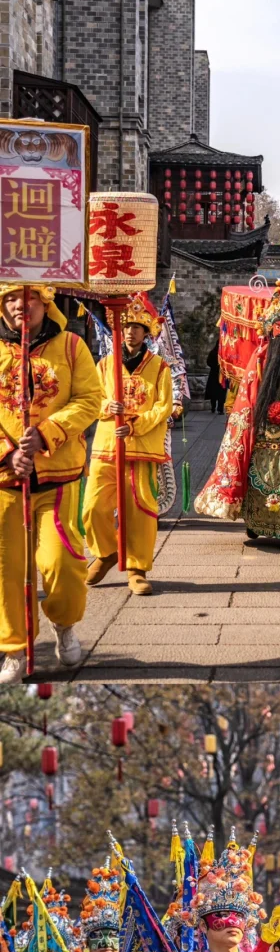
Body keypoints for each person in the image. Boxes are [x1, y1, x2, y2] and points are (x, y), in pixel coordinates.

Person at [0, 285, 102, 683]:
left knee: (61, 562)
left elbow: (90, 399)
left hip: (58, 477)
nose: (18, 305)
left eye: (26, 298)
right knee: (8, 570)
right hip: (6, 483)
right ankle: (14, 648)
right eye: (9, 299)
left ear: (44, 302)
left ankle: (64, 622)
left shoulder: (72, 346)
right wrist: (8, 454)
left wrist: (47, 433)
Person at [195, 276, 280, 556]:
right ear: (270, 332)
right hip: (262, 433)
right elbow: (247, 398)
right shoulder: (260, 358)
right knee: (259, 478)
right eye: (279, 332)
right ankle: (256, 522)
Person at [83, 296, 174, 598]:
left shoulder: (159, 367)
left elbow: (163, 406)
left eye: (136, 327)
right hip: (107, 443)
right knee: (93, 506)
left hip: (141, 446)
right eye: (126, 327)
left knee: (140, 509)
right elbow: (90, 399)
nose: (131, 332)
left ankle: (137, 567)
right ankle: (107, 552)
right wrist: (106, 406)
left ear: (146, 332)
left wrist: (136, 424)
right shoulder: (104, 366)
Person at [205, 339, 228, 415]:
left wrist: (214, 366)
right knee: (221, 392)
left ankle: (213, 407)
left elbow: (208, 362)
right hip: (222, 374)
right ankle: (220, 409)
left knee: (213, 392)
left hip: (213, 374)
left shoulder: (213, 352)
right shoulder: (224, 353)